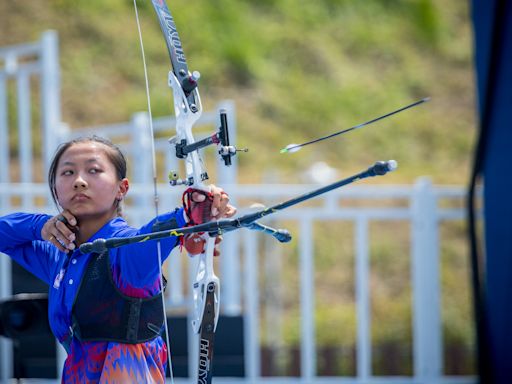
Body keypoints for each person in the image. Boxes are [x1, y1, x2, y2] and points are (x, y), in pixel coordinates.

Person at [0, 136, 236, 383]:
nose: (79, 182)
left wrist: (195, 211)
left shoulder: (127, 253)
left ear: (121, 188)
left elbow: (154, 235)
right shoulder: (60, 255)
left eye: (94, 170)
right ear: (56, 189)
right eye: (68, 172)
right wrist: (39, 225)